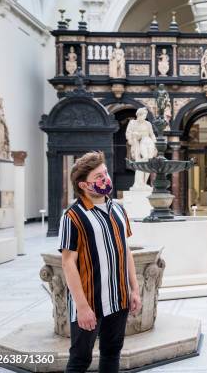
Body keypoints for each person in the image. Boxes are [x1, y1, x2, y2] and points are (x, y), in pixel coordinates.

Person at [59, 151, 141, 373]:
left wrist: (134, 289)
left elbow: (127, 252)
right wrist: (83, 307)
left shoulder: (118, 209)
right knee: (79, 361)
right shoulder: (72, 216)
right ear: (84, 185)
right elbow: (68, 264)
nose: (106, 179)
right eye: (98, 177)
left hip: (118, 299)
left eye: (105, 173)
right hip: (89, 303)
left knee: (111, 354)